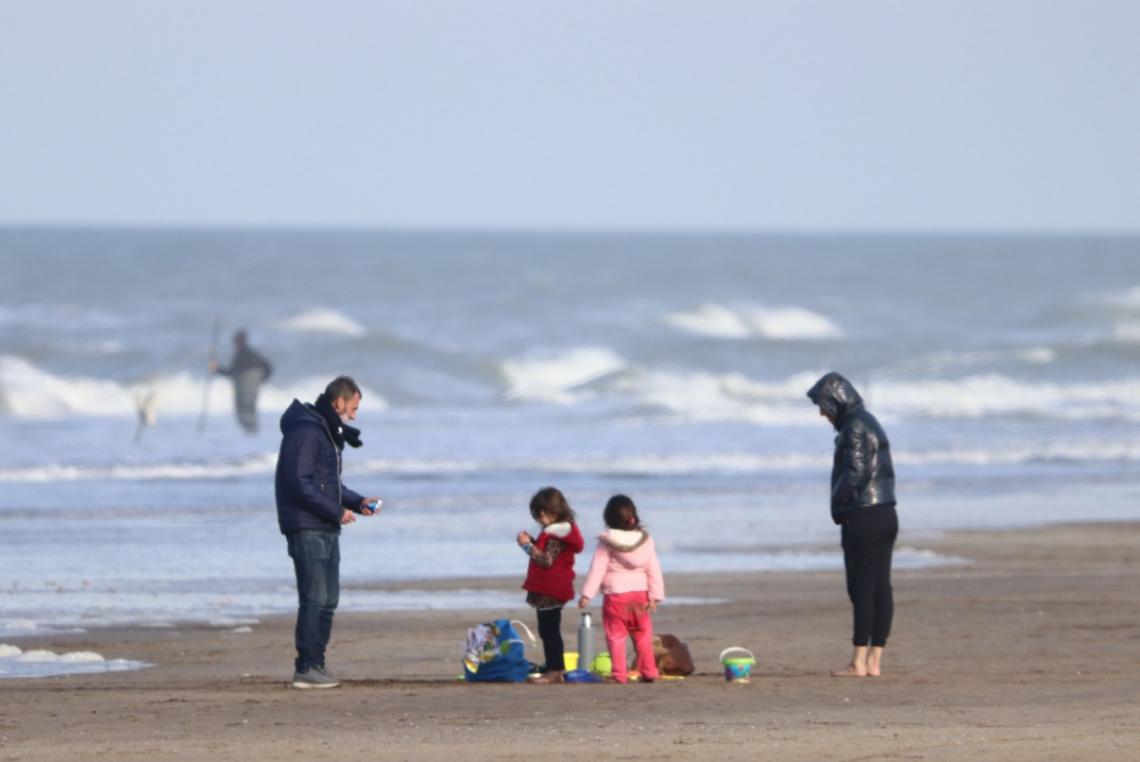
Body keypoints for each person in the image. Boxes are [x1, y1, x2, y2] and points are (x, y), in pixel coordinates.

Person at [275, 375, 381, 689]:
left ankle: (316, 664)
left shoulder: (326, 431)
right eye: (354, 407)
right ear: (339, 403)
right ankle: (306, 666)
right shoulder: (307, 430)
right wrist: (336, 511)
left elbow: (329, 484)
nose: (355, 415)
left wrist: (358, 502)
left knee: (328, 599)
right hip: (306, 526)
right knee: (315, 598)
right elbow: (299, 483)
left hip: (324, 526)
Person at [807, 371, 898, 678]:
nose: (822, 413)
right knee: (880, 586)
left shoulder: (854, 427)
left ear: (837, 401)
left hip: (864, 515)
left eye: (824, 405)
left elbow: (855, 473)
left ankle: (858, 662)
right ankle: (874, 660)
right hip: (886, 512)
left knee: (861, 587)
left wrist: (839, 505)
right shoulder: (869, 421)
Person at [577, 494, 664, 684]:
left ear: (608, 519)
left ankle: (620, 674)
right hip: (640, 595)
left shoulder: (607, 541)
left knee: (616, 636)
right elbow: (653, 568)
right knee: (643, 635)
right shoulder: (645, 540)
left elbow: (597, 569)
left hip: (616, 596)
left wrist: (587, 594)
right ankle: (649, 671)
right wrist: (655, 595)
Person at [516, 486, 584, 684]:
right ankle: (554, 664)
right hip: (550, 588)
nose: (539, 520)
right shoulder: (555, 533)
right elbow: (548, 554)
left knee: (550, 629)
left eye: (541, 515)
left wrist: (527, 546)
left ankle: (555, 669)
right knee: (547, 629)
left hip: (552, 589)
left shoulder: (558, 533)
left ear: (553, 511)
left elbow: (546, 560)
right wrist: (534, 542)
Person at [210, 329, 273, 434]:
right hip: (253, 389)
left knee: (243, 410)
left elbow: (231, 372)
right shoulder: (253, 354)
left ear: (237, 342)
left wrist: (217, 369)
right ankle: (253, 432)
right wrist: (262, 380)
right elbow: (269, 368)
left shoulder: (241, 355)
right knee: (250, 409)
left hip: (243, 389)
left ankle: (250, 432)